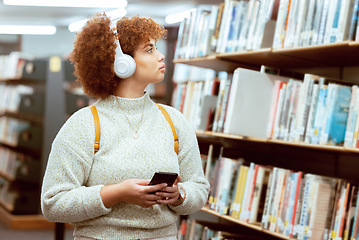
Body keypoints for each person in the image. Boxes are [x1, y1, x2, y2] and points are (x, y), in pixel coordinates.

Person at [41, 13, 210, 240]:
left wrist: (179, 195)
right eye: (149, 50)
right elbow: (53, 203)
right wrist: (116, 194)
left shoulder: (174, 121)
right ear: (122, 63)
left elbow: (199, 188)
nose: (161, 56)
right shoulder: (84, 124)